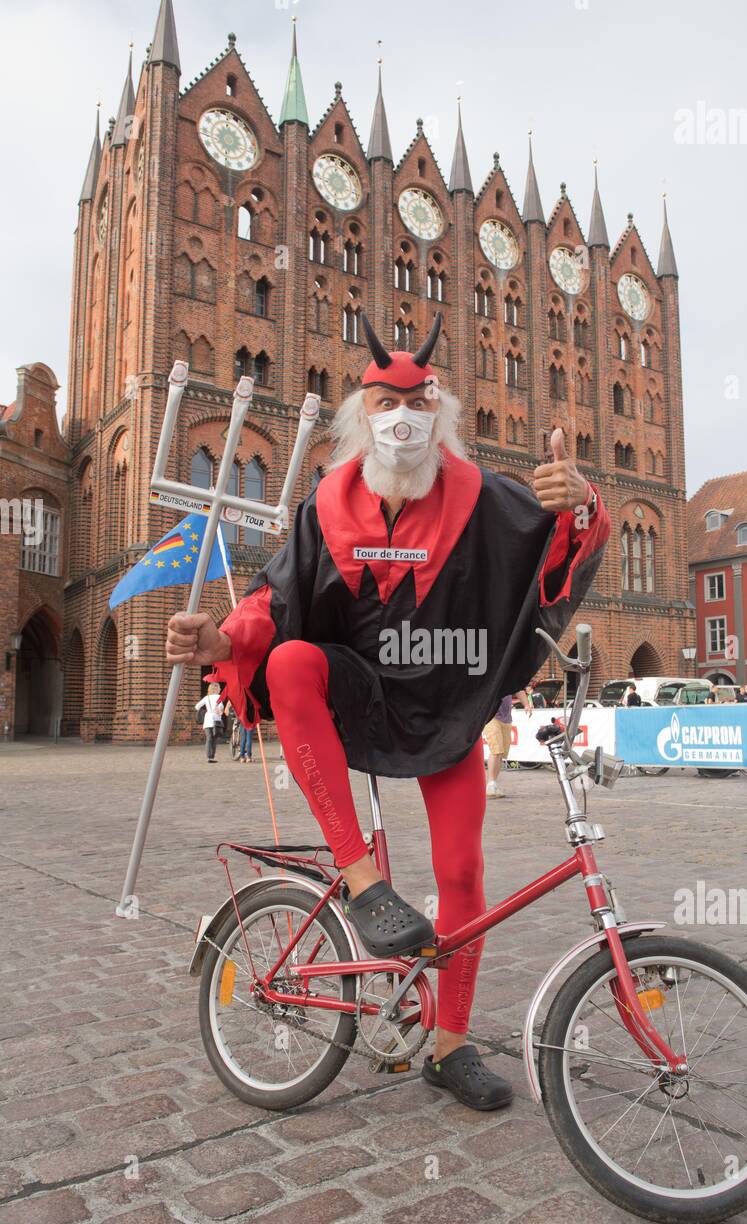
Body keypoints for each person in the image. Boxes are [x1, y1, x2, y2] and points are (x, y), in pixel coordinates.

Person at [165, 313, 609, 1110]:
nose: (401, 418)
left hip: (448, 703)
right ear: (360, 417)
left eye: (417, 402)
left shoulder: (485, 501)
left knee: (463, 871)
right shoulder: (326, 507)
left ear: (438, 414)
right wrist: (221, 642)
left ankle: (451, 1047)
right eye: (384, 404)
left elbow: (554, 546)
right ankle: (363, 884)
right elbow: (275, 600)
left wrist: (580, 503)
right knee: (294, 659)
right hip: (358, 692)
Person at [483, 689, 531, 797]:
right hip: (491, 717)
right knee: (496, 750)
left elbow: (519, 690)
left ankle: (493, 783)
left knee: (501, 753)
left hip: (506, 719)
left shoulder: (510, 676)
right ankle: (490, 783)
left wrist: (526, 704)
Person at [195, 683, 224, 764]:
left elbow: (197, 706)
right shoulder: (219, 697)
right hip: (216, 720)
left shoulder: (206, 698)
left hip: (207, 721)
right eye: (219, 688)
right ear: (216, 689)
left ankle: (209, 757)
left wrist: (206, 711)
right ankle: (212, 756)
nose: (220, 689)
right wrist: (219, 711)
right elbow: (221, 708)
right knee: (214, 739)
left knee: (209, 739)